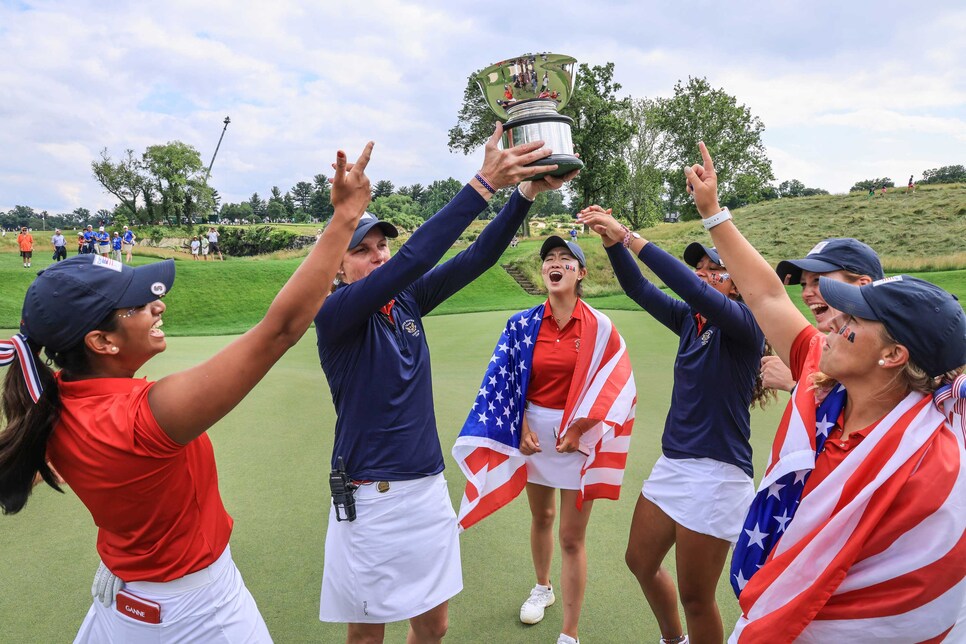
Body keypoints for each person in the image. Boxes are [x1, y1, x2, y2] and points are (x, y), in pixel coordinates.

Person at [0, 143, 373, 641]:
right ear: (101, 342)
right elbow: (279, 331)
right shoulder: (145, 416)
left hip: (120, 605)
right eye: (137, 304)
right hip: (196, 613)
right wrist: (345, 218)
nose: (157, 304)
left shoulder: (52, 400)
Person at [685, 142, 966, 642]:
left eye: (852, 318)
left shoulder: (932, 465)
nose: (830, 323)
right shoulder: (821, 359)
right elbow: (766, 292)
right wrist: (712, 212)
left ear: (893, 356)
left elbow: (911, 595)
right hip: (771, 601)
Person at [314, 123, 575, 644]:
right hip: (373, 496)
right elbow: (415, 259)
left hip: (427, 491)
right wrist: (482, 183)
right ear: (338, 266)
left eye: (382, 246)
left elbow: (475, 259)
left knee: (434, 627)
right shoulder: (336, 313)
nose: (380, 256)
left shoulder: (404, 303)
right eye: (363, 250)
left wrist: (523, 194)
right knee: (367, 636)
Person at [577, 206, 772, 644]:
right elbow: (637, 287)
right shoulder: (690, 321)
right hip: (675, 465)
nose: (703, 275)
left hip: (719, 473)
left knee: (697, 597)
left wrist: (629, 235)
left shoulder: (746, 325)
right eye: (699, 268)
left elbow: (692, 291)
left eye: (716, 270)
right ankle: (673, 640)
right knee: (639, 561)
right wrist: (613, 244)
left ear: (737, 282)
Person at [504, 236, 634, 644]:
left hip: (580, 436)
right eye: (549, 259)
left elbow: (617, 385)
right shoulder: (522, 324)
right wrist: (520, 425)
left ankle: (570, 633)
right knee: (541, 518)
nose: (555, 263)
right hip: (535, 435)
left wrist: (578, 429)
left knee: (571, 537)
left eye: (565, 259)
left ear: (581, 273)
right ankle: (542, 587)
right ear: (543, 270)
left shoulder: (600, 326)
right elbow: (508, 382)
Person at [760, 238, 884, 392]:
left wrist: (797, 388)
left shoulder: (896, 350)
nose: (805, 293)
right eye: (804, 284)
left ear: (862, 285)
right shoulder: (827, 346)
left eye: (817, 281)